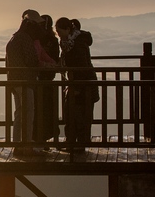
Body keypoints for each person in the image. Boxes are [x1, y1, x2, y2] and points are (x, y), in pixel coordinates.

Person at [55, 17, 98, 154]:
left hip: (83, 85)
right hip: (77, 84)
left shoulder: (77, 44)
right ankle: (73, 142)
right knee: (73, 114)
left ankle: (78, 144)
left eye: (59, 30)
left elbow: (82, 67)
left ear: (68, 29)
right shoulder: (70, 42)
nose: (58, 34)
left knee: (79, 115)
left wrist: (77, 88)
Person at [6, 10, 46, 155]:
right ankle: (26, 146)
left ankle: (18, 144)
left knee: (19, 114)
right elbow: (31, 61)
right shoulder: (25, 39)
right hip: (25, 81)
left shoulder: (14, 39)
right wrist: (45, 65)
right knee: (28, 113)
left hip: (15, 81)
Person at [34, 14, 60, 144]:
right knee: (47, 111)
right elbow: (54, 58)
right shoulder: (53, 41)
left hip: (36, 80)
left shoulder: (36, 40)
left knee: (37, 111)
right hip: (48, 80)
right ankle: (45, 137)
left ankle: (38, 139)